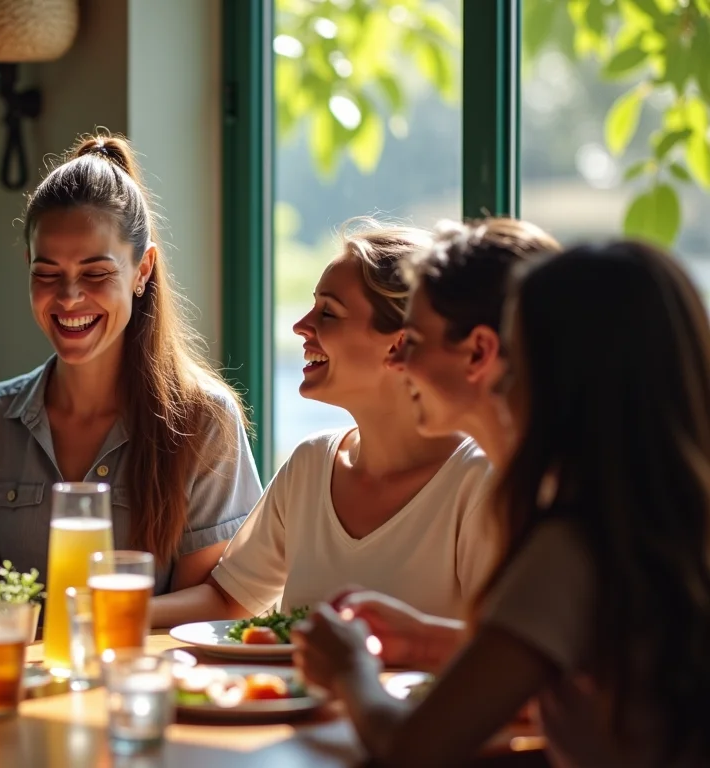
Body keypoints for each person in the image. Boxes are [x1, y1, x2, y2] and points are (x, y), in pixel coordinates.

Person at [294, 241, 710, 767]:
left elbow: (411, 750)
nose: (498, 379)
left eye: (515, 359)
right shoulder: (660, 522)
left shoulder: (572, 547)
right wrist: (428, 643)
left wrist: (350, 669)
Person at [153, 221, 493, 628]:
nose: (301, 326)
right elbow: (227, 600)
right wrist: (98, 612)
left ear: (400, 343)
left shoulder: (478, 482)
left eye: (328, 313)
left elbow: (503, 649)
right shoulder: (310, 465)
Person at [0, 133, 262, 595]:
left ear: (142, 269)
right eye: (47, 273)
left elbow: (214, 603)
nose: (69, 297)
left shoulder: (204, 421)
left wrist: (87, 621)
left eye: (96, 273)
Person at [333, 217, 561, 671]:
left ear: (479, 352)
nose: (397, 360)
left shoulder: (554, 517)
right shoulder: (535, 488)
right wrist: (420, 639)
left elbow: (432, 733)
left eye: (414, 340)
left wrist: (348, 668)